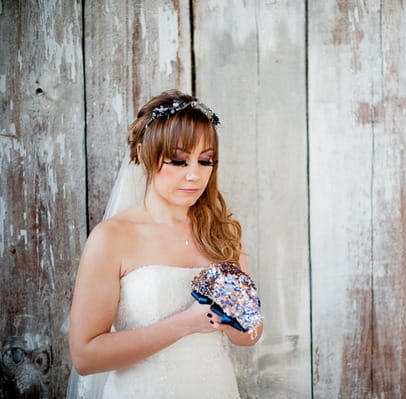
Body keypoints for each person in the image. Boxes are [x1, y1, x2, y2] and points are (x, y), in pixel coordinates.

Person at [67, 90, 262, 398]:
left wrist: (233, 315)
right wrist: (186, 323)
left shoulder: (221, 232)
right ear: (144, 155)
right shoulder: (112, 237)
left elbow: (249, 335)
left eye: (206, 160)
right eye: (178, 161)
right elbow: (85, 356)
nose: (195, 175)